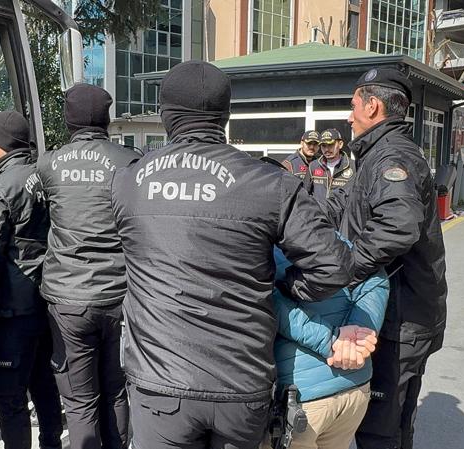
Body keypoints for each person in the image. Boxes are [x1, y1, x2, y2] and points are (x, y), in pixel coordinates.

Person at [110, 60, 354, 449]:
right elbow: (334, 266)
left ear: (166, 115)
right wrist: (283, 286)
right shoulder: (271, 182)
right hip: (241, 385)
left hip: (161, 385)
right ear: (225, 116)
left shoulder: (128, 182)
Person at [318, 68, 447, 449]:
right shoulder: (376, 155)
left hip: (401, 318)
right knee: (393, 423)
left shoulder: (392, 157)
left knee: (379, 428)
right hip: (402, 313)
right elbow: (342, 207)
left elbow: (397, 227)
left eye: (353, 106)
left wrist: (344, 271)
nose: (349, 116)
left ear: (372, 106)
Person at [35, 83, 138, 449]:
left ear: (69, 120)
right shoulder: (129, 162)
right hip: (118, 296)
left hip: (68, 300)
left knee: (79, 402)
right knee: (116, 391)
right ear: (106, 120)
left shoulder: (48, 164)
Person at [0, 110, 63, 449]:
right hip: (47, 297)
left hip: (11, 308)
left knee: (9, 397)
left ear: (3, 142)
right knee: (44, 384)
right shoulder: (44, 173)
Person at [267, 246, 388, 449]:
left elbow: (267, 300)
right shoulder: (335, 239)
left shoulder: (260, 246)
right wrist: (358, 338)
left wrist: (333, 341)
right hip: (354, 387)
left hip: (300, 397)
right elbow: (375, 276)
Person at [309, 128, 355, 201]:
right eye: (323, 146)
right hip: (318, 208)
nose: (326, 149)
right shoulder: (313, 166)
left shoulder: (354, 166)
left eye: (330, 145)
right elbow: (305, 194)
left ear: (340, 144)